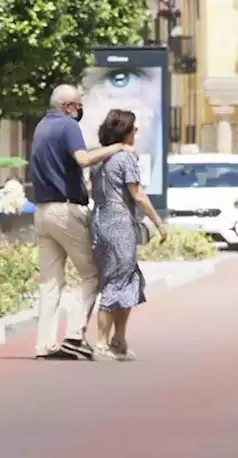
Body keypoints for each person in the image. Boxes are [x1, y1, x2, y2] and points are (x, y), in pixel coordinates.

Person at [28, 84, 134, 361]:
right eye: (78, 103)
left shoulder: (41, 127)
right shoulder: (67, 126)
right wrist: (116, 147)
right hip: (66, 210)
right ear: (67, 107)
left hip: (42, 212)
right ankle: (74, 335)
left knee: (50, 282)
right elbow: (83, 159)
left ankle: (44, 344)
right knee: (93, 274)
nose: (80, 107)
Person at [88, 110, 165, 362]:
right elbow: (138, 195)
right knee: (117, 280)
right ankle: (102, 341)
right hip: (120, 224)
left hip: (100, 221)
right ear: (126, 133)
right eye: (134, 130)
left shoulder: (100, 160)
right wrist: (158, 223)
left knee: (124, 278)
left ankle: (118, 339)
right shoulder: (125, 158)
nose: (136, 135)